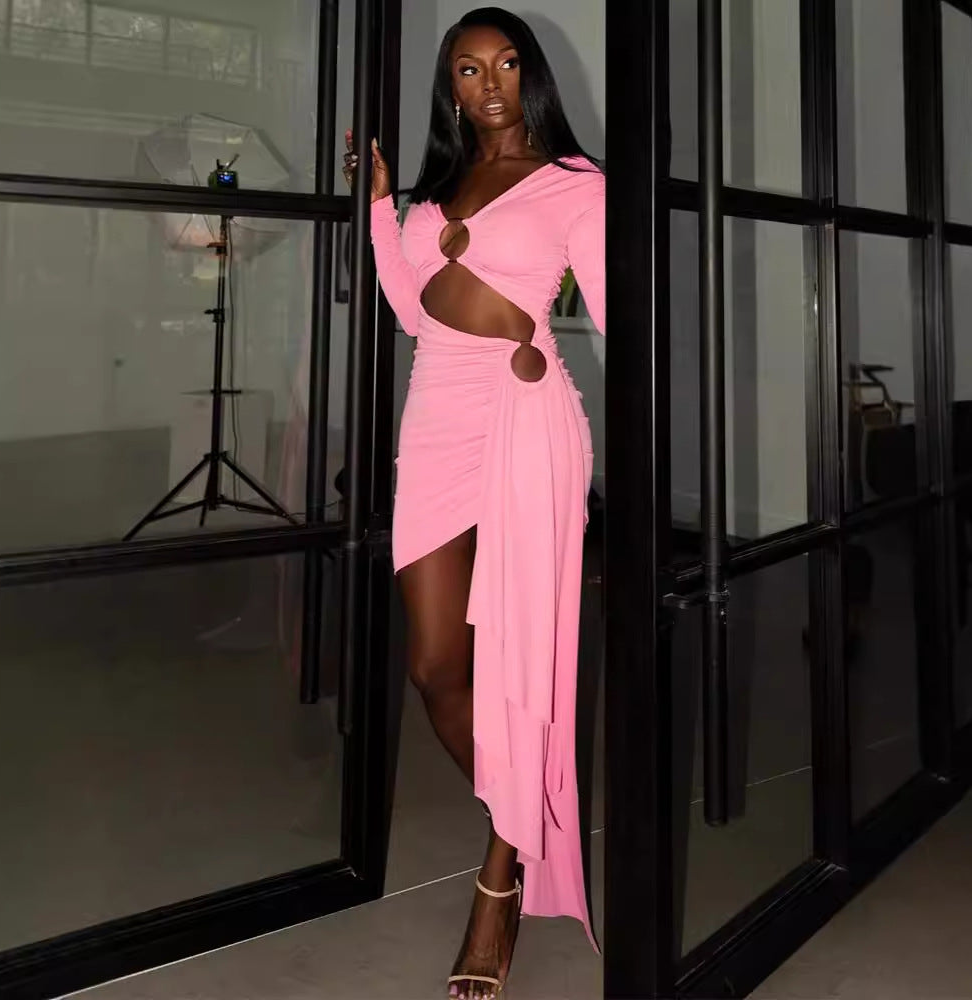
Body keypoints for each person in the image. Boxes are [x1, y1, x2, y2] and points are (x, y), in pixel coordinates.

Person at [344, 7, 604, 997]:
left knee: (517, 664)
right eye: (466, 68)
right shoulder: (436, 187)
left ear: (529, 74)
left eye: (504, 64)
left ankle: (499, 880)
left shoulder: (577, 185)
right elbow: (413, 309)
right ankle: (533, 823)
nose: (487, 82)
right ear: (449, 87)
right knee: (436, 665)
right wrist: (378, 209)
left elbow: (622, 313)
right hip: (438, 422)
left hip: (528, 418)